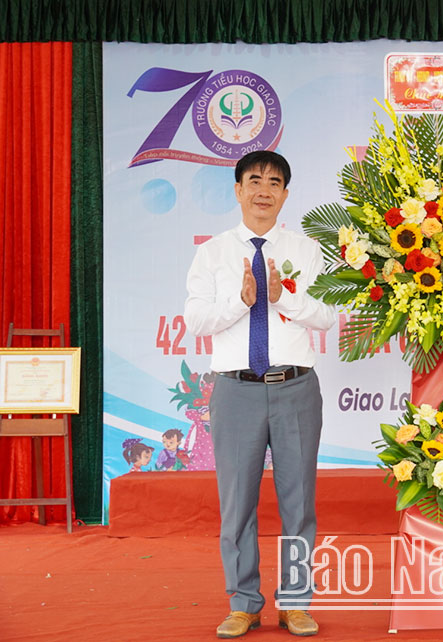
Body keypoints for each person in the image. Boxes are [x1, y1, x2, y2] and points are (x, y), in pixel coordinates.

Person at [185, 151, 336, 638]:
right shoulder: (212, 253)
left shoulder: (306, 250)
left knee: (299, 502)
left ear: (286, 194)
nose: (263, 190)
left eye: (274, 182)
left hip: (295, 388)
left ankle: (295, 602)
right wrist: (241, 301)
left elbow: (326, 316)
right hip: (236, 390)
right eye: (254, 181)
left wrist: (281, 296)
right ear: (238, 190)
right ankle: (243, 603)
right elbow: (196, 320)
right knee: (237, 504)